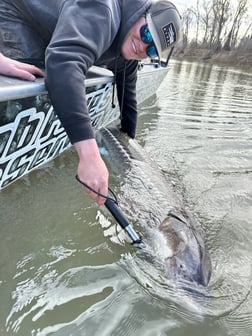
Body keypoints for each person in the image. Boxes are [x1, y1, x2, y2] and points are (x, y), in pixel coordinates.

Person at [0, 0, 181, 205]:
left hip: (52, 25)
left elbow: (128, 100)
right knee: (40, 77)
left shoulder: (129, 55)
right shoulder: (102, 9)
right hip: (15, 10)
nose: (142, 46)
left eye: (151, 50)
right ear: (141, 12)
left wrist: (128, 151)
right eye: (147, 33)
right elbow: (62, 65)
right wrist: (89, 155)